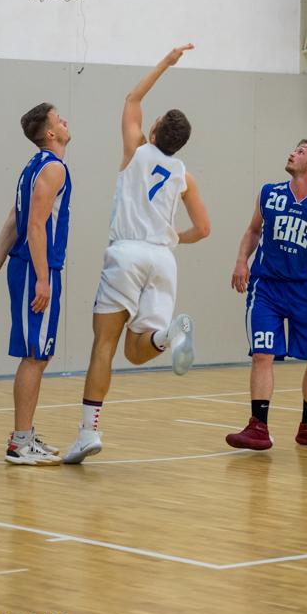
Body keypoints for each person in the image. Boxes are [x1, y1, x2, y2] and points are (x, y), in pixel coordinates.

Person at [63, 44, 210, 464]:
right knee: (138, 350)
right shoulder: (184, 175)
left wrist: (167, 61)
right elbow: (204, 229)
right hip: (163, 260)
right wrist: (173, 237)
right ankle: (168, 336)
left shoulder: (137, 150)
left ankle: (88, 433)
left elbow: (132, 98)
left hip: (126, 254)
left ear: (155, 131)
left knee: (105, 345)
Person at [226, 139, 307, 451]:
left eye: (301, 151)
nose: (292, 153)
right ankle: (257, 427)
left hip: (305, 290)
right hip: (266, 287)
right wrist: (241, 261)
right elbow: (253, 230)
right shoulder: (269, 193)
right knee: (262, 354)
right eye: (295, 149)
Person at [0, 104, 72, 465]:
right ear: (51, 133)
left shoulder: (34, 167)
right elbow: (35, 225)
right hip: (36, 269)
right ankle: (20, 443)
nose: (65, 121)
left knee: (39, 354)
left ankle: (25, 434)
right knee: (34, 356)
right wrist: (42, 277)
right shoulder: (53, 168)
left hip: (30, 267)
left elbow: (15, 217)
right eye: (59, 119)